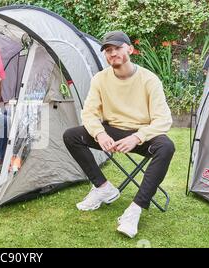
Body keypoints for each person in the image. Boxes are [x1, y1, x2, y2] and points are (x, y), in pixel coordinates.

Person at [62, 31, 175, 238]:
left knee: (166, 146)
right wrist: (100, 134)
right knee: (71, 135)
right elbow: (89, 113)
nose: (112, 53)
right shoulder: (100, 79)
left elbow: (164, 120)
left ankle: (135, 210)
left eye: (117, 48)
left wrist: (137, 137)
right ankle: (103, 187)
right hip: (112, 131)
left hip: (140, 134)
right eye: (108, 50)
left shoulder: (149, 80)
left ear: (130, 50)